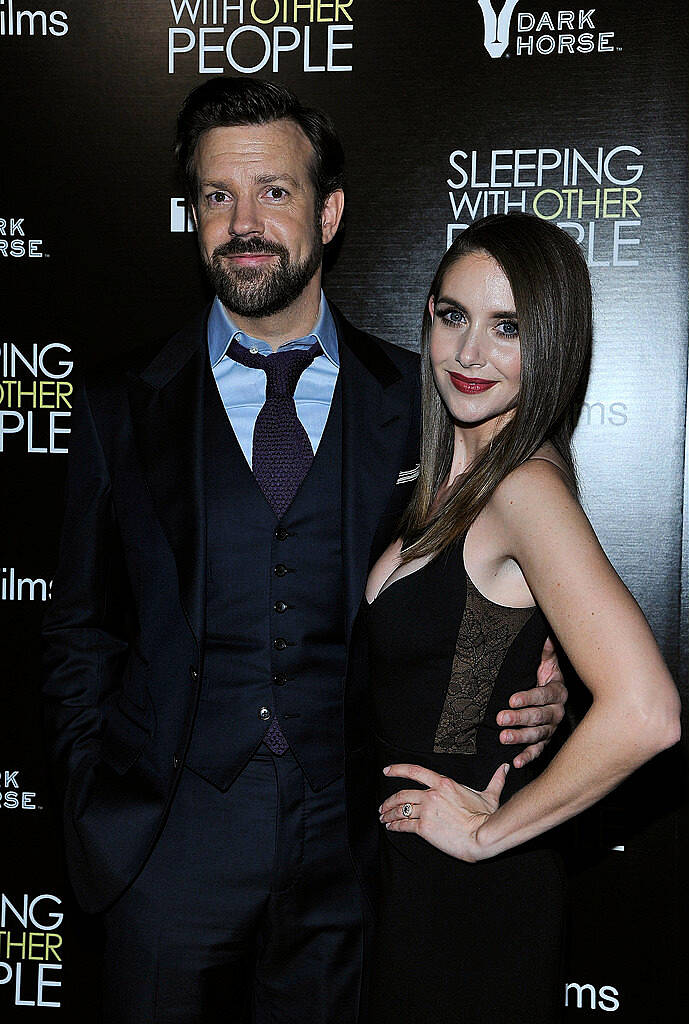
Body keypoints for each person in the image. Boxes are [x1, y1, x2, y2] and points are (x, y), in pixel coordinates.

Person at [42, 81, 569, 1024]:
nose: (244, 223)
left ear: (327, 213)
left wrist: (535, 675)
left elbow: (491, 577)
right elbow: (80, 625)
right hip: (165, 850)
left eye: (274, 192)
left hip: (352, 855)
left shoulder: (424, 399)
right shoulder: (120, 401)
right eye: (216, 196)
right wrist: (96, 793)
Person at [355, 213, 681, 1023]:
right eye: (453, 315)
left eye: (508, 328)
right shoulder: (443, 477)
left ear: (555, 344)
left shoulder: (522, 489)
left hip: (466, 901)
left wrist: (484, 837)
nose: (469, 354)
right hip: (399, 881)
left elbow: (646, 712)